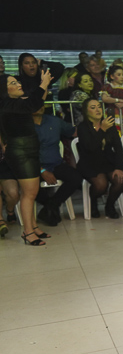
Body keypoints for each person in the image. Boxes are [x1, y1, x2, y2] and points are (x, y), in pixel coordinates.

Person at [0, 70, 52, 245]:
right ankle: (28, 232)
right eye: (13, 83)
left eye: (17, 81)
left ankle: (33, 227)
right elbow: (32, 104)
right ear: (4, 89)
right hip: (20, 151)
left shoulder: (16, 103)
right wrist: (43, 84)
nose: (18, 84)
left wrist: (44, 84)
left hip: (29, 148)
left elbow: (36, 102)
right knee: (29, 193)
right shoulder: (7, 104)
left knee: (31, 192)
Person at [75, 99, 123, 219]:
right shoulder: (83, 127)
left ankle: (110, 205)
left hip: (107, 161)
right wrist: (102, 130)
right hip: (89, 163)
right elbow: (90, 148)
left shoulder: (109, 124)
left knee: (120, 179)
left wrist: (118, 167)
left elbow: (118, 148)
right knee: (101, 185)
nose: (98, 110)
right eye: (93, 107)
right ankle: (93, 202)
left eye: (99, 106)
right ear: (86, 111)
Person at [32, 106, 80, 227]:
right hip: (33, 166)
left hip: (55, 164)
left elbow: (74, 131)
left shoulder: (54, 121)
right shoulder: (22, 125)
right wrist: (42, 170)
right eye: (35, 103)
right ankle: (51, 207)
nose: (39, 106)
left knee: (76, 178)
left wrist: (96, 127)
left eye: (41, 103)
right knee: (30, 185)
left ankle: (51, 206)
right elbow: (22, 154)